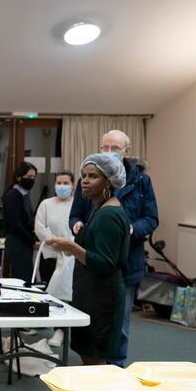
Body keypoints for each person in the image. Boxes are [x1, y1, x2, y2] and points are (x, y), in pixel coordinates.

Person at [69, 130, 159, 366]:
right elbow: (77, 213)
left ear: (126, 151)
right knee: (93, 324)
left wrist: (131, 229)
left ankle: (115, 374)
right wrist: (77, 225)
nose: (108, 153)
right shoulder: (89, 180)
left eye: (114, 149)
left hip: (125, 263)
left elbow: (151, 218)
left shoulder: (140, 182)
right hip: (94, 264)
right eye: (104, 147)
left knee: (119, 324)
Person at [47, 154, 130, 365]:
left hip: (102, 296)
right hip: (91, 292)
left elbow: (105, 263)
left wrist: (72, 247)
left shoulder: (109, 215)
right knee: (88, 357)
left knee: (95, 360)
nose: (85, 180)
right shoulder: (99, 209)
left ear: (109, 181)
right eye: (84, 175)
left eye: (93, 176)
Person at [35, 170, 75, 347]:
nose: (62, 186)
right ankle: (52, 326)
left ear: (73, 185)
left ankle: (65, 329)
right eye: (59, 183)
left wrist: (69, 246)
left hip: (72, 255)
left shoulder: (78, 205)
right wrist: (56, 243)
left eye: (66, 183)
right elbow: (39, 227)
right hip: (50, 253)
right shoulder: (46, 204)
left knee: (68, 293)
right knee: (51, 293)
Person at [2, 162, 40, 282]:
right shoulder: (14, 195)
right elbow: (16, 225)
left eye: (34, 177)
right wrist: (32, 242)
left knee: (24, 275)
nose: (32, 180)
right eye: (29, 177)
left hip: (23, 241)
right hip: (18, 241)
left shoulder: (24, 194)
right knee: (23, 277)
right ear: (19, 177)